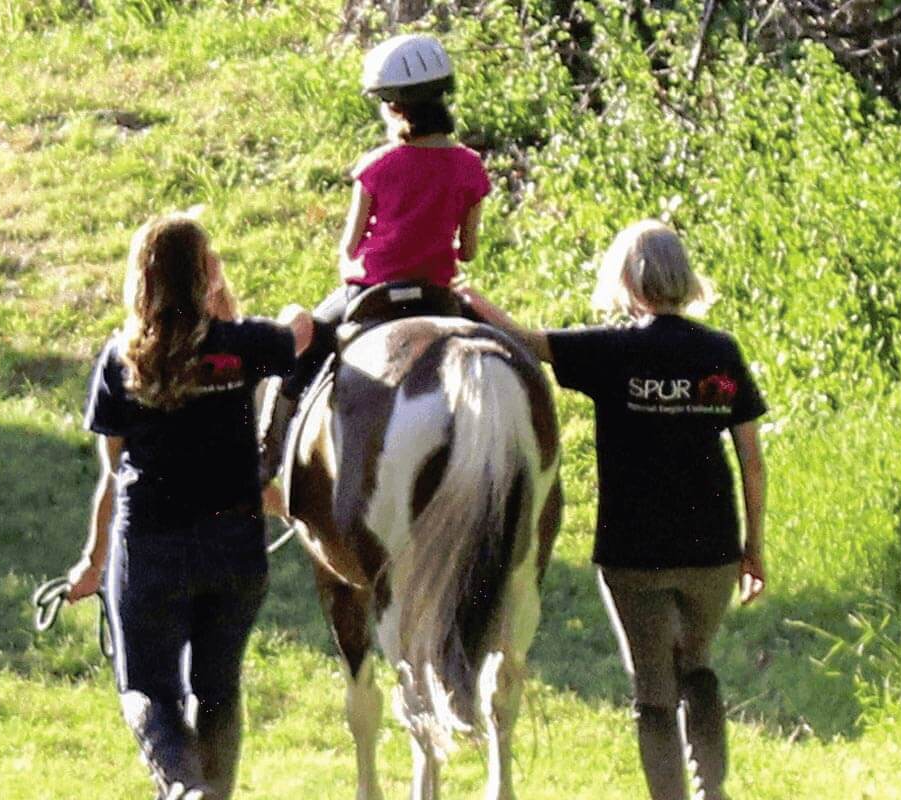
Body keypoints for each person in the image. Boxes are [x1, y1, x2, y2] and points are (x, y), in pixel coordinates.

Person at [460, 220, 767, 800]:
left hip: (634, 551)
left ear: (627, 278)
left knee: (653, 689)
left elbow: (527, 342)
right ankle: (714, 792)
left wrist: (474, 304)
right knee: (696, 664)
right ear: (683, 275)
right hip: (714, 548)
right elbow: (751, 457)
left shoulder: (611, 350)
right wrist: (754, 547)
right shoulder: (719, 352)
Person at [64, 210, 314, 800]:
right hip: (235, 549)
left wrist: (93, 561)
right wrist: (255, 309)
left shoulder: (120, 359)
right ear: (205, 273)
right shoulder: (241, 345)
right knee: (219, 687)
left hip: (150, 546)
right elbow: (299, 331)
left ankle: (182, 787)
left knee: (147, 689)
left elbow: (111, 473)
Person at [258, 33, 492, 484]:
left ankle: (269, 450)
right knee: (506, 346)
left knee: (306, 344)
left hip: (371, 292)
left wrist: (353, 267)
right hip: (439, 296)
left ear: (394, 107)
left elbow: (349, 246)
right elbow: (469, 250)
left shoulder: (376, 166)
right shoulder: (470, 167)